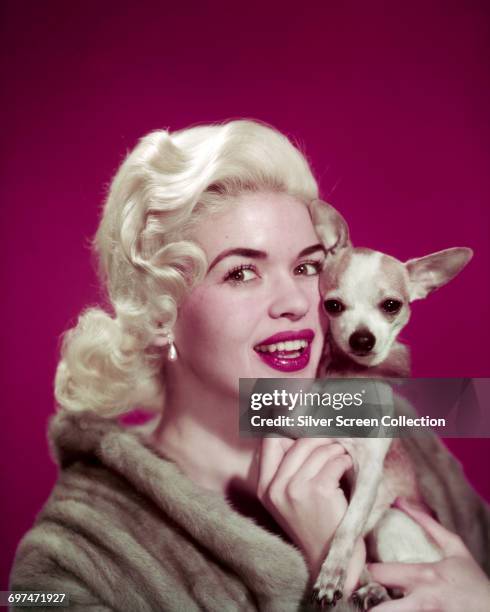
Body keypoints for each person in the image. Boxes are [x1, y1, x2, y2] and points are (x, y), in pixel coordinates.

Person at [10, 120, 490, 611]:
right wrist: (335, 572)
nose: (296, 302)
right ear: (158, 312)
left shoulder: (407, 443)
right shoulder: (73, 561)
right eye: (241, 272)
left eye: (306, 267)